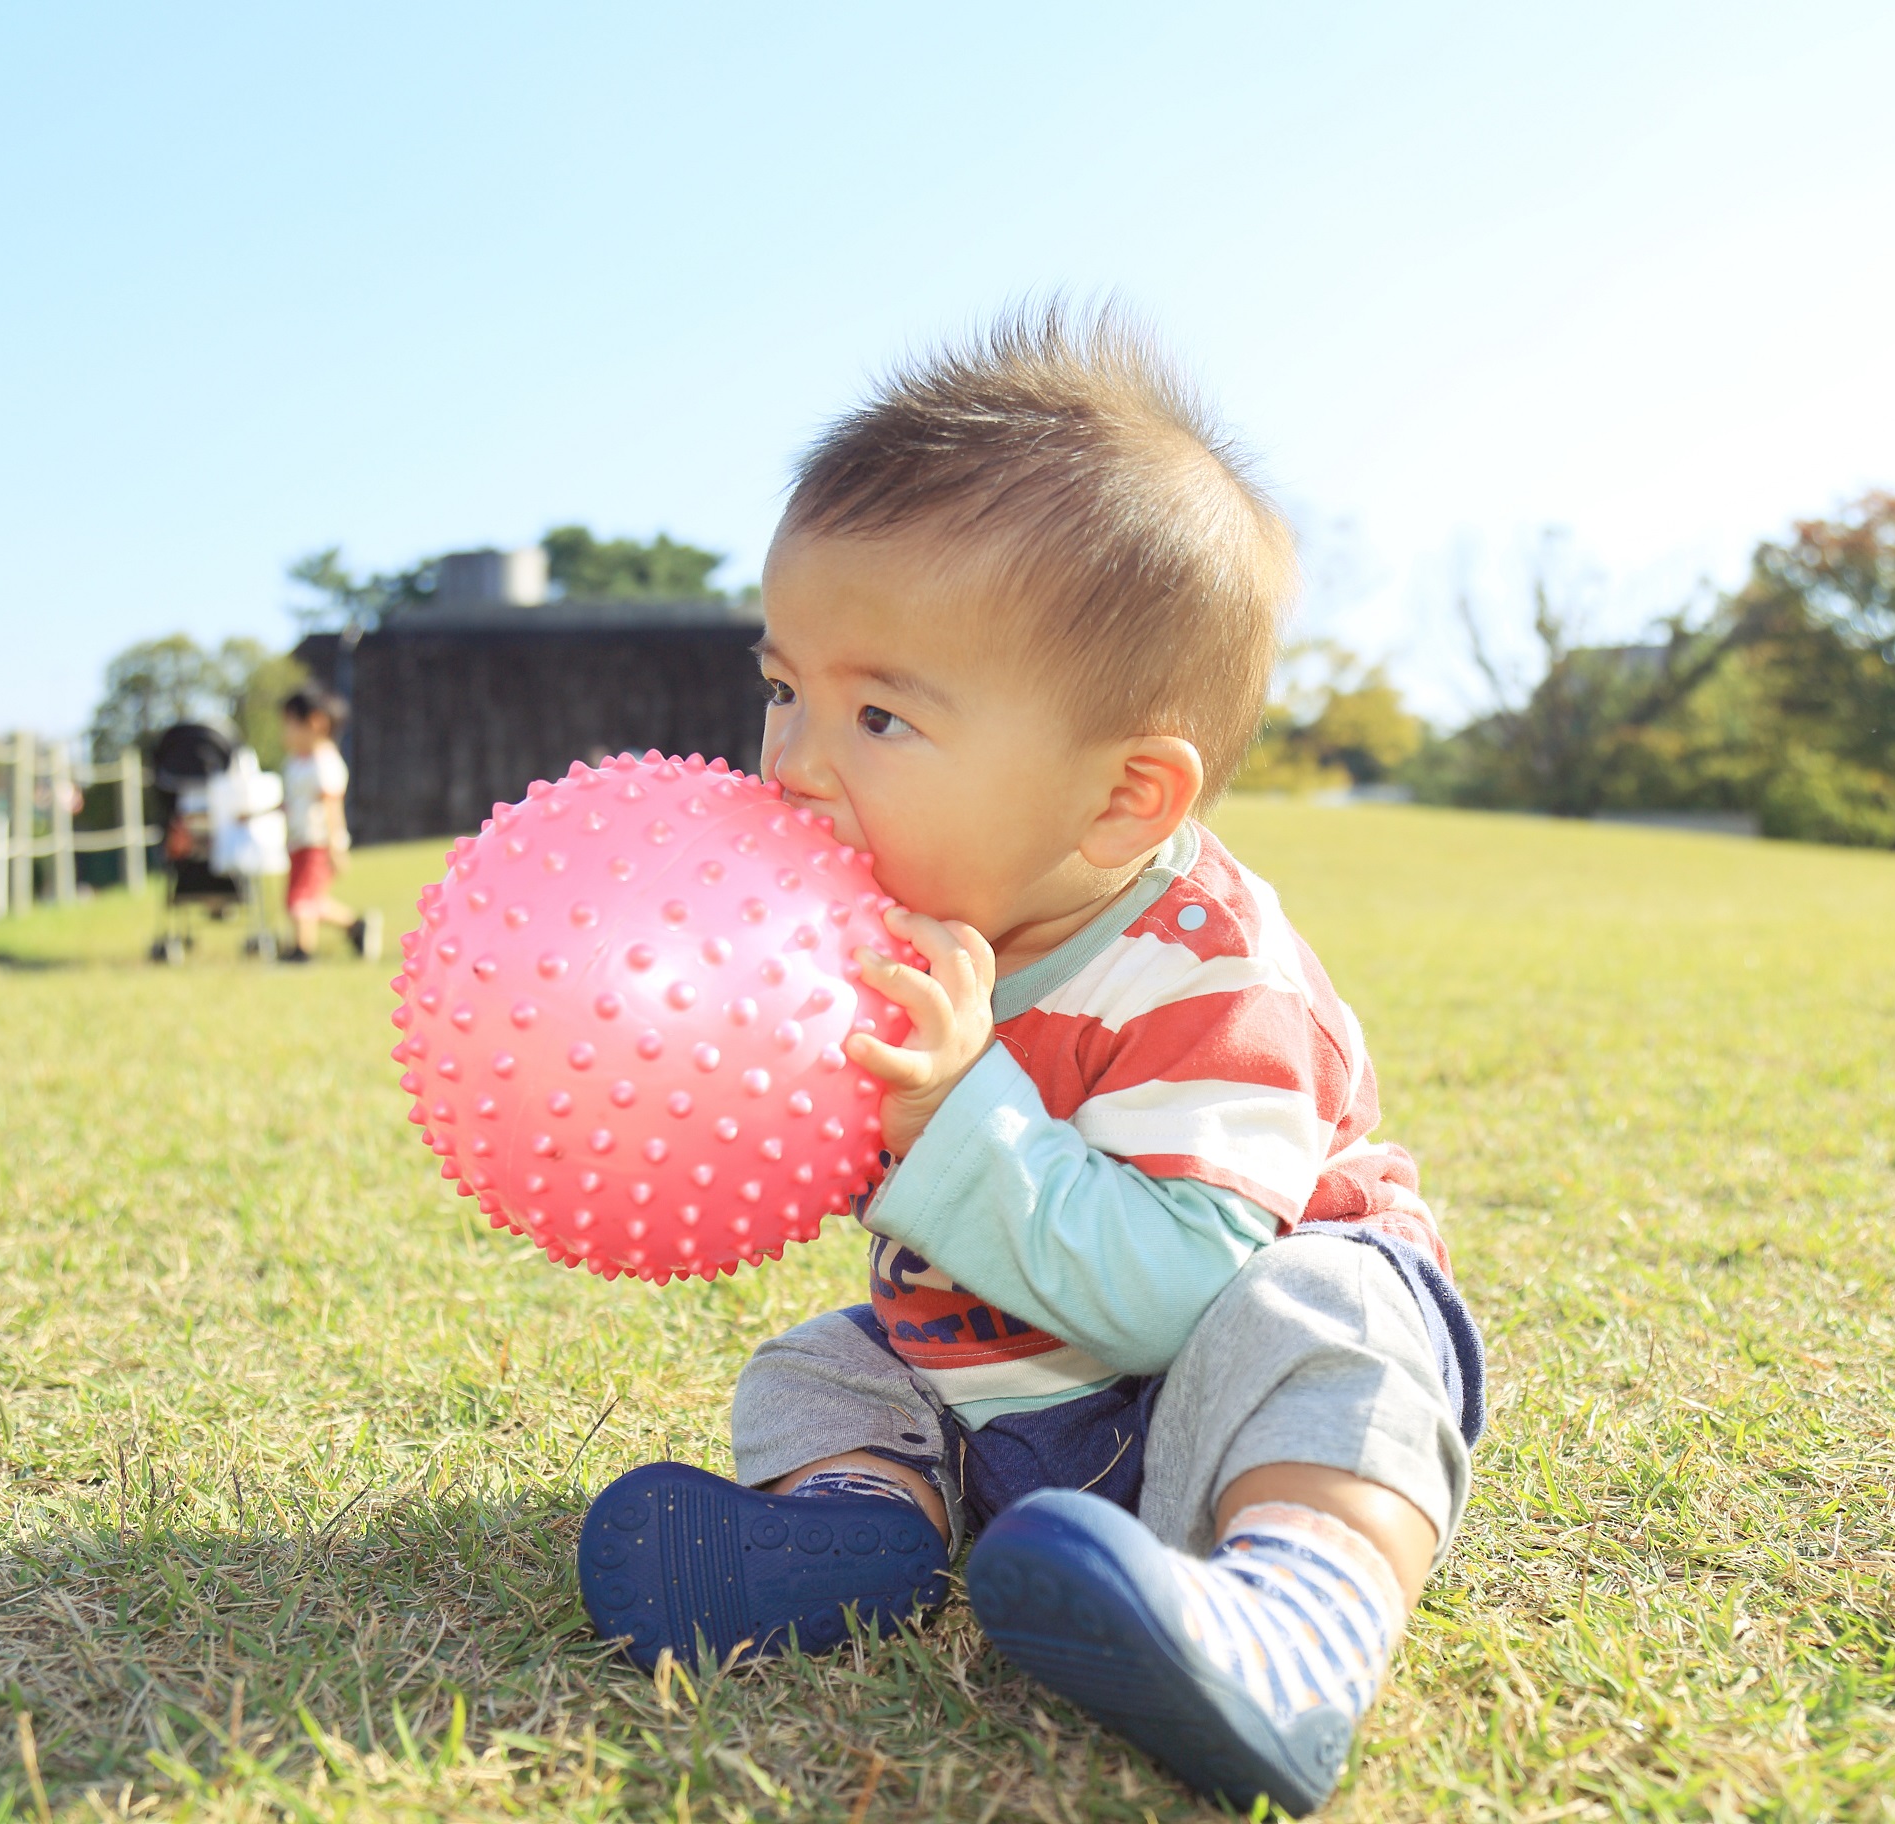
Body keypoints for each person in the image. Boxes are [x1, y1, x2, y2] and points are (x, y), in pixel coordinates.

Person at [576, 309, 1484, 1817]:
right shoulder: (895, 935)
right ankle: (854, 1525)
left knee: (1336, 1327)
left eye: (878, 713)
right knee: (828, 1359)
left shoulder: (1214, 973)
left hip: (1208, 1401)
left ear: (1125, 796)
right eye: (784, 688)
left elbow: (1171, 1290)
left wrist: (943, 1106)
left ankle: (1296, 1613)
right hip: (1001, 1407)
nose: (792, 762)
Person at [277, 686, 380, 961]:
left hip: (319, 841)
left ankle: (302, 951)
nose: (284, 733)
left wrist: (336, 847)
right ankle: (356, 926)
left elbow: (332, 807)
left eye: (290, 725)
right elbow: (291, 802)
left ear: (315, 723)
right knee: (307, 899)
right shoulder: (294, 763)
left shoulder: (325, 763)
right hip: (298, 840)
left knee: (301, 900)